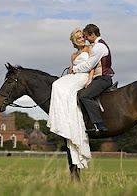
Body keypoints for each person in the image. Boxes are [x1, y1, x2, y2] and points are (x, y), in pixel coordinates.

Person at [47, 28, 93, 168]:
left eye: (82, 37)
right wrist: (70, 70)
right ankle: (62, 118)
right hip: (74, 76)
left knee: (62, 88)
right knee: (57, 85)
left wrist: (90, 79)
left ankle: (72, 118)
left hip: (84, 76)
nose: (81, 39)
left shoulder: (90, 48)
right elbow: (72, 68)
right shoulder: (73, 55)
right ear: (73, 41)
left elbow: (92, 65)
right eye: (78, 38)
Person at [71, 24, 114, 133]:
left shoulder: (98, 47)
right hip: (99, 77)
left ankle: (98, 124)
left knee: (84, 96)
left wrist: (74, 69)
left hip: (103, 78)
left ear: (92, 35)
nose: (84, 39)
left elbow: (89, 66)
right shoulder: (97, 45)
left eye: (85, 36)